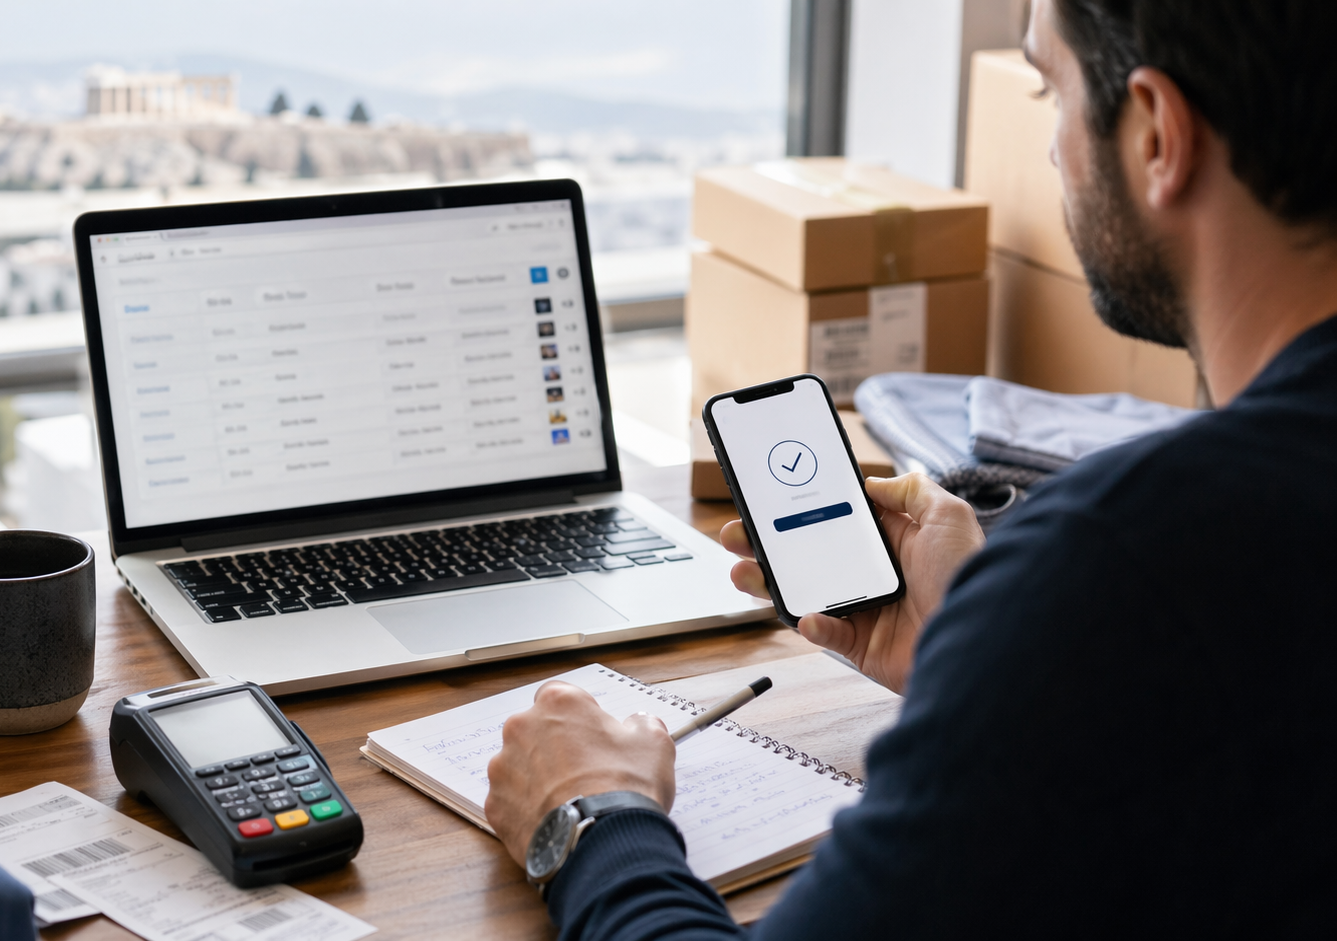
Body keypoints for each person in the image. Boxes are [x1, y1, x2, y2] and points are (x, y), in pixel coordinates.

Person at [484, 0, 1337, 936]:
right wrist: (983, 665)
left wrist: (590, 813)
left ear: (1158, 135)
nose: (1052, 146)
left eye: (1049, 86)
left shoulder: (1126, 561)